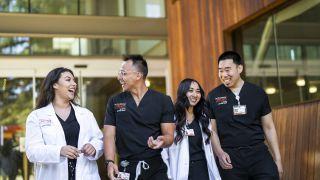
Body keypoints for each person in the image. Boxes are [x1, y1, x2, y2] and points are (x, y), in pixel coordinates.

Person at [207, 51, 283, 180]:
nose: (224, 74)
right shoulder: (213, 96)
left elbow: (269, 127)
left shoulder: (258, 93)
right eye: (220, 70)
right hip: (230, 157)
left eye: (227, 70)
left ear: (239, 68)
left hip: (258, 153)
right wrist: (220, 154)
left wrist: (278, 160)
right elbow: (212, 130)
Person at [104, 55, 175, 180]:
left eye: (123, 73)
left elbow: (169, 136)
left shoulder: (163, 100)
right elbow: (109, 135)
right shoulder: (115, 101)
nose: (119, 77)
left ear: (138, 75)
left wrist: (162, 140)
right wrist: (109, 161)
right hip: (126, 167)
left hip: (156, 169)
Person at [25, 67, 103, 180]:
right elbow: (32, 151)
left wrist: (94, 147)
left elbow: (99, 140)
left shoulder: (86, 114)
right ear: (55, 85)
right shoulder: (37, 116)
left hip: (86, 175)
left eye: (74, 80)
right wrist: (59, 151)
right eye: (68, 80)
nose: (74, 84)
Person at [162, 78, 221, 180]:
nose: (195, 94)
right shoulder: (172, 118)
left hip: (202, 169)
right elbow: (164, 151)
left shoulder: (203, 118)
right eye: (191, 90)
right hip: (181, 171)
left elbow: (210, 142)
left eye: (198, 91)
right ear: (183, 93)